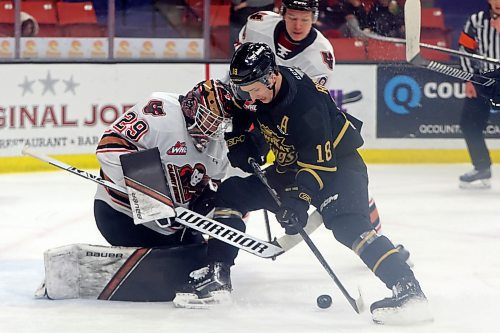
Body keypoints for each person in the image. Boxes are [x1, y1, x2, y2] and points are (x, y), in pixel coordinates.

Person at [174, 42, 432, 325]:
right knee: (231, 195)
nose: (247, 95)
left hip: (338, 167)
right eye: (242, 88)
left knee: (349, 226)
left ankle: (408, 289)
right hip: (291, 166)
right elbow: (242, 111)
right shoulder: (257, 87)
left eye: (252, 89)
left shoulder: (304, 104)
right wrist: (240, 142)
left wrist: (298, 203)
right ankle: (218, 278)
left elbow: (318, 163)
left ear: (270, 78)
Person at [94, 79, 239, 247]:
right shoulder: (160, 114)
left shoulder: (218, 143)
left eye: (221, 122)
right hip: (121, 217)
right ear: (193, 107)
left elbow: (215, 181)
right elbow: (109, 146)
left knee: (195, 262)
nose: (215, 128)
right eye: (211, 119)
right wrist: (152, 198)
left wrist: (204, 203)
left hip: (173, 231)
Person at [237, 0, 336, 89]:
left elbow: (312, 101)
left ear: (314, 18)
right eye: (292, 18)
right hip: (246, 91)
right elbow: (238, 63)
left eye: (305, 20)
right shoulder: (258, 25)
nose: (298, 26)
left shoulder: (320, 57)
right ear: (283, 14)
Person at [457, 0, 500, 189]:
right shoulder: (476, 21)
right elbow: (465, 50)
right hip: (485, 81)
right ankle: (482, 166)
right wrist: (469, 79)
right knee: (469, 124)